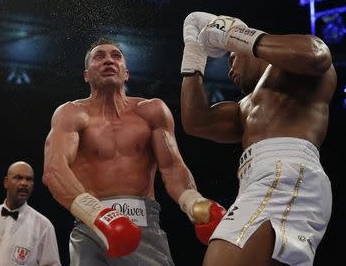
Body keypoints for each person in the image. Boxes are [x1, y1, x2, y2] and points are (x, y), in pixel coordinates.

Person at [42, 38, 226, 266]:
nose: (109, 60)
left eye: (116, 56)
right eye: (99, 57)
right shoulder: (71, 113)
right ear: (86, 75)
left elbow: (172, 168)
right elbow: (54, 170)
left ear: (126, 73)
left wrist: (194, 202)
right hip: (90, 226)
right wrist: (99, 215)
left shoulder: (151, 111)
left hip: (144, 226)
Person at [180, 12, 336, 265]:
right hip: (262, 181)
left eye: (232, 57)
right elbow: (196, 122)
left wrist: (233, 35)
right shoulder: (244, 107)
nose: (229, 69)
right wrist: (194, 50)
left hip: (285, 173)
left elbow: (317, 56)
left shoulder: (292, 73)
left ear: (246, 49)